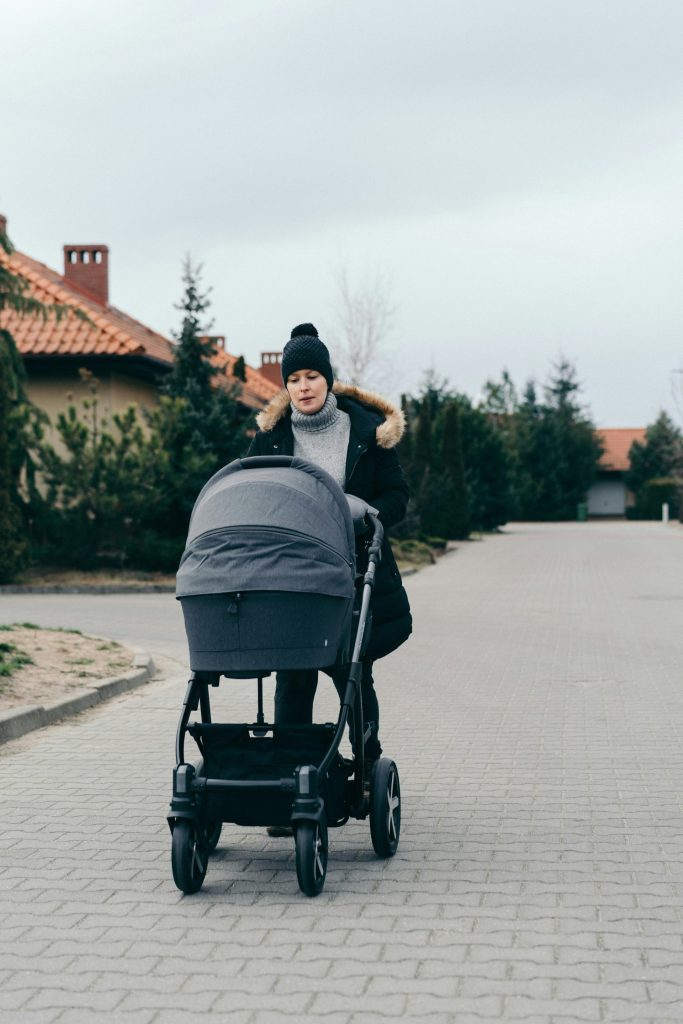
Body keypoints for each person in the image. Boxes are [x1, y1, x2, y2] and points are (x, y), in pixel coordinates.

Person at [247, 323, 412, 833]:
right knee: (292, 679)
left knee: (352, 677)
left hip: (355, 570)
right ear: (286, 386)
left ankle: (365, 770)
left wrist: (365, 513)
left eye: (312, 374)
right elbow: (253, 496)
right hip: (294, 576)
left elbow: (397, 499)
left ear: (328, 379)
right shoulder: (271, 438)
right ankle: (288, 784)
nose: (303, 385)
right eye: (293, 377)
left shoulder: (365, 433)